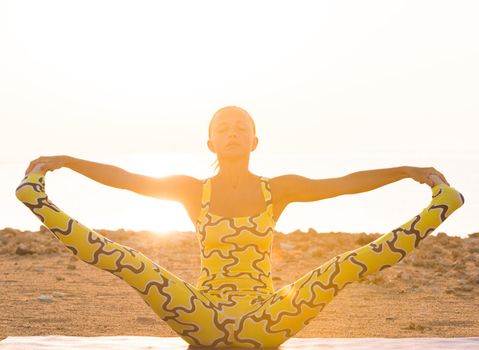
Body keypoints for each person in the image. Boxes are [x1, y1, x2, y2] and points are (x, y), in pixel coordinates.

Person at [16, 106, 465, 349]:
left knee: (348, 265)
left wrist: (406, 169)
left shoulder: (279, 190)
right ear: (210, 141)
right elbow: (127, 179)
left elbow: (344, 185)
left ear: (254, 141)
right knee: (129, 261)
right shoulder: (193, 190)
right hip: (201, 316)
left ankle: (442, 205)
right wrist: (69, 162)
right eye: (223, 128)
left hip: (268, 319)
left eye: (241, 127)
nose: (232, 133)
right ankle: (35, 196)